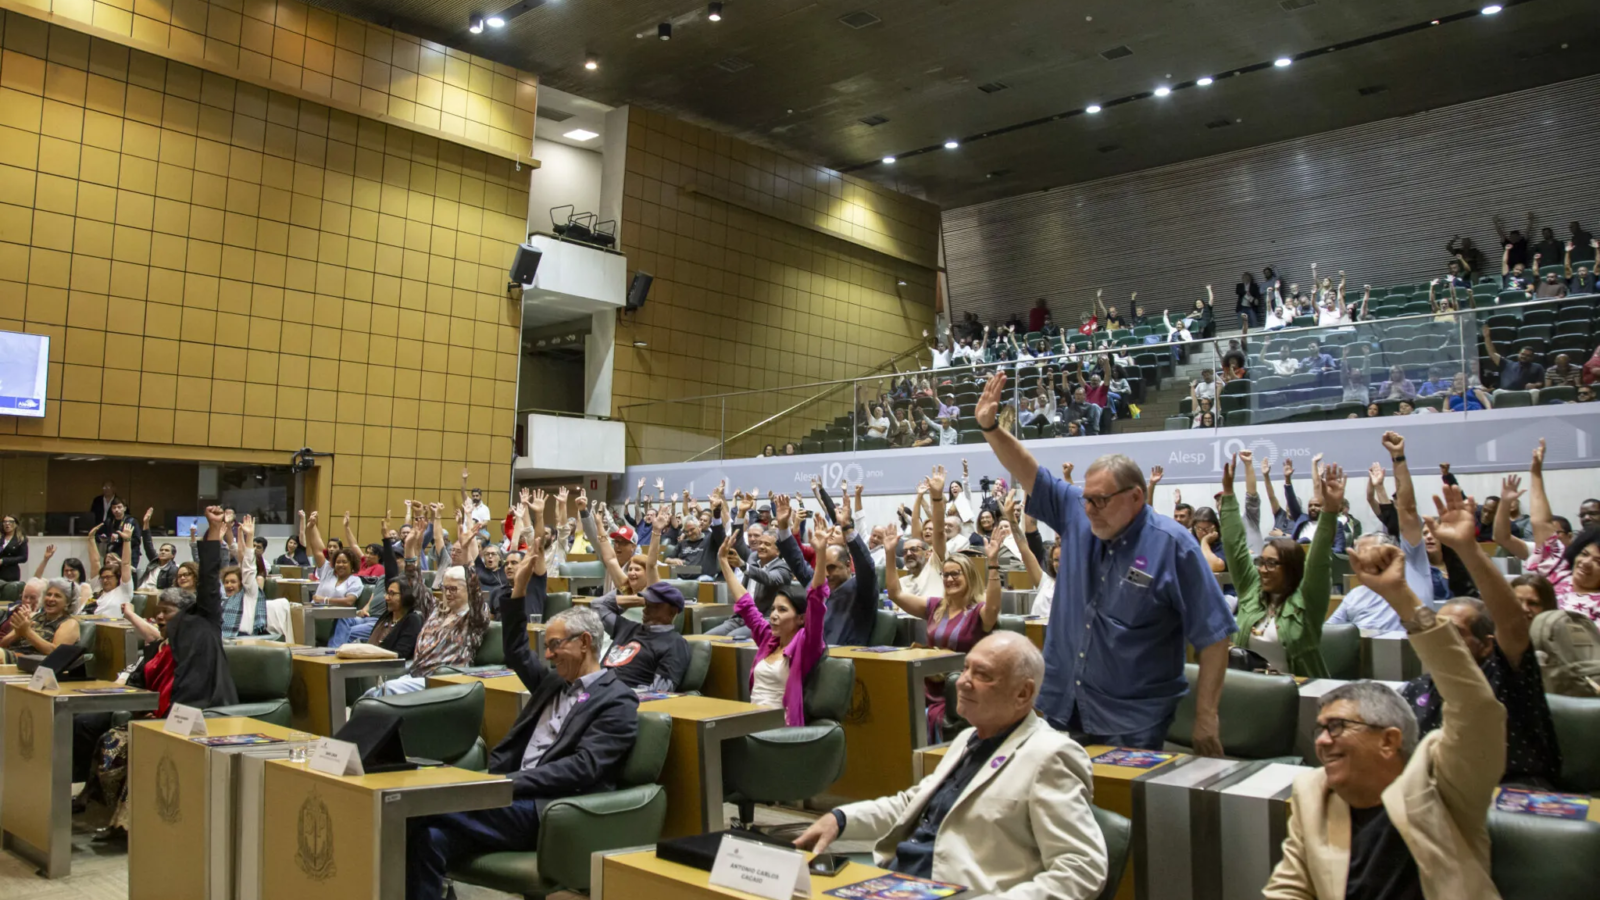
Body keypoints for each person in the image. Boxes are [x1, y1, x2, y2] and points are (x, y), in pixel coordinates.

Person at [974, 371, 1235, 753]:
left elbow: (1215, 636)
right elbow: (1030, 471)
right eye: (1086, 498)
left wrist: (1207, 716)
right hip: (1060, 704)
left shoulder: (1174, 547)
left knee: (1121, 810)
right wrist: (991, 426)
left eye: (1101, 500)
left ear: (1136, 497)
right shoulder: (1078, 513)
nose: (1090, 509)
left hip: (1133, 719)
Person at [1262, 513, 1506, 900]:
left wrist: (1400, 597)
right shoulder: (1314, 794)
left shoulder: (1444, 785)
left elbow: (1474, 706)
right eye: (1321, 729)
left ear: (1390, 741)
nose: (1323, 742)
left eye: (1338, 727)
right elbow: (1289, 889)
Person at [794, 632, 1109, 899]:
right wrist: (840, 818)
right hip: (902, 881)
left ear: (1023, 693)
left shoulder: (1051, 755)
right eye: (966, 668)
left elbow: (1082, 866)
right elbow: (911, 803)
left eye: (983, 674)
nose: (963, 682)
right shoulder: (968, 737)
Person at [406, 540, 639, 900]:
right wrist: (517, 590)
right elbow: (516, 650)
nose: (547, 654)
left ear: (585, 643)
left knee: (413, 810)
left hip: (546, 807)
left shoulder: (617, 699)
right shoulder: (552, 682)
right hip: (506, 796)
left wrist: (512, 782)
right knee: (428, 838)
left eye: (555, 645)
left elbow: (585, 767)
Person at [1397, 487, 1560, 786]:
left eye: (1456, 633)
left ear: (1487, 645)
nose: (1442, 640)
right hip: (1436, 792)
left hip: (1509, 792)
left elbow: (1511, 622)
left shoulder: (1508, 674)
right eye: (1439, 630)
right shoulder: (1417, 688)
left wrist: (1467, 548)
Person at [884, 513, 1003, 739]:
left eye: (955, 574)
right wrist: (890, 554)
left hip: (960, 690)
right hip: (926, 687)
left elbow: (994, 609)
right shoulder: (935, 607)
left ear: (968, 575)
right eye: (946, 575)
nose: (949, 580)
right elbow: (896, 593)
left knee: (929, 717)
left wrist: (993, 564)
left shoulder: (979, 612)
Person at [1221, 455, 1341, 676]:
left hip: (1301, 697)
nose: (1262, 569)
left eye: (1271, 564)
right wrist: (1228, 495)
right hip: (1253, 693)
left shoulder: (1308, 600)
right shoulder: (1251, 592)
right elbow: (1235, 547)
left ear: (1291, 567)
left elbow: (1319, 559)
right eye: (1261, 562)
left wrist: (1330, 512)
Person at [1328, 435, 1444, 635]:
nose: (1364, 558)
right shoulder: (1354, 596)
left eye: (1370, 551)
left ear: (1392, 551)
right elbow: (1328, 635)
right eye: (1359, 554)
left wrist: (1398, 458)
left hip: (1416, 658)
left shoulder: (1412, 566)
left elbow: (1407, 510)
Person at [720, 528, 828, 724]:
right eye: (774, 609)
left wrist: (820, 555)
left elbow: (817, 598)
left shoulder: (806, 645)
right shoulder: (768, 639)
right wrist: (724, 563)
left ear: (801, 618)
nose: (775, 616)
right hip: (753, 721)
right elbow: (746, 604)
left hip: (782, 727)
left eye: (783, 610)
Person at [772, 490, 878, 645]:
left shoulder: (861, 588)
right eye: (824, 568)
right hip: (808, 654)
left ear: (848, 565)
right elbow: (796, 561)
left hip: (840, 659)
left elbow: (866, 565)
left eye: (833, 567)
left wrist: (847, 527)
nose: (826, 574)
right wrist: (783, 525)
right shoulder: (820, 582)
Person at [0, 578, 81, 657]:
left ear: (68, 602)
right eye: (48, 594)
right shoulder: (32, 616)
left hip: (32, 662)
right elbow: (2, 644)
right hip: (10, 656)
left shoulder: (69, 623)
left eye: (57, 596)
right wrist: (18, 633)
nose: (50, 599)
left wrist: (27, 632)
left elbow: (55, 652)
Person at [305, 512, 364, 606]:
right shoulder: (327, 569)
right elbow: (317, 549)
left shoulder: (355, 580)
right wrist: (312, 527)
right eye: (338, 562)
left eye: (344, 562)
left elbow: (349, 601)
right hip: (313, 611)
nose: (340, 565)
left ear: (352, 564)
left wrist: (324, 600)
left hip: (335, 617)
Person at [0, 513, 28, 583]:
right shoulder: (1, 537)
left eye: (10, 522)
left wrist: (4, 561)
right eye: (5, 522)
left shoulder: (20, 539)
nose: (7, 524)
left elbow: (23, 558)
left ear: (16, 524)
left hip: (10, 573)